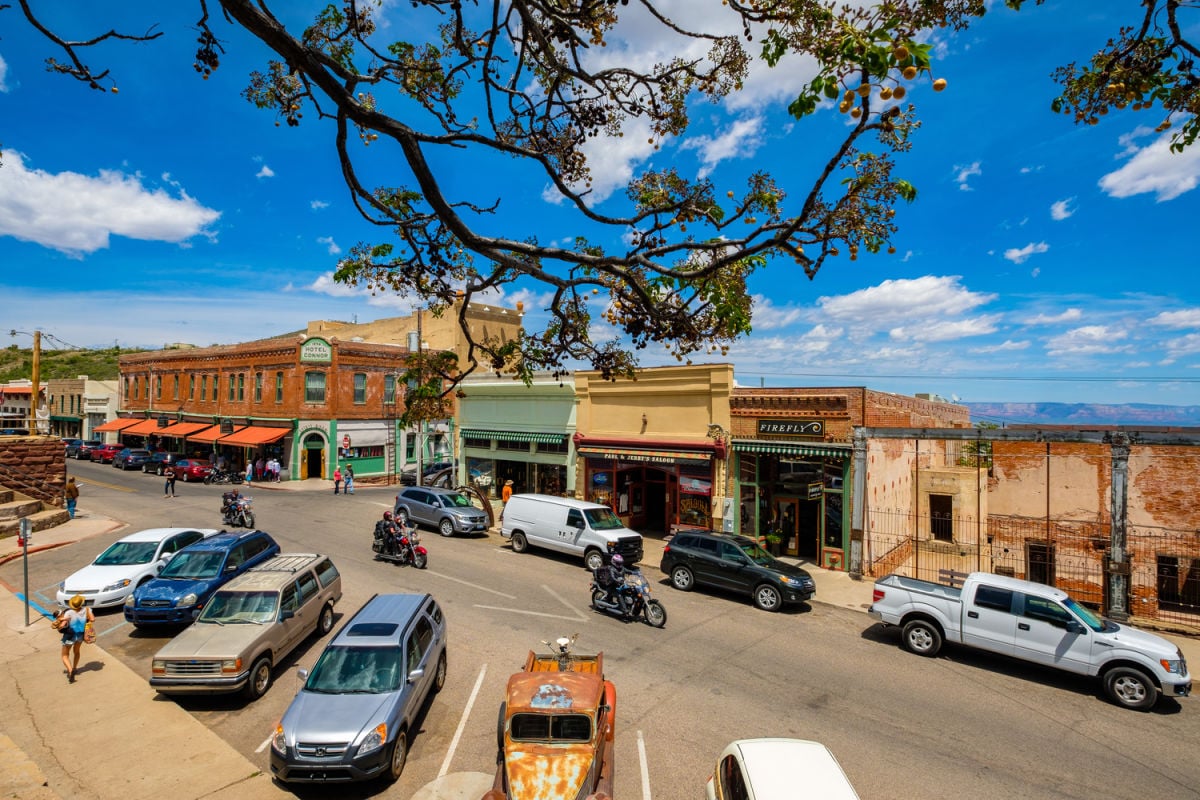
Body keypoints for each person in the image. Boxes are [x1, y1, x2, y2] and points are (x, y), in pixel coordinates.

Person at [56, 594, 94, 683]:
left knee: (65, 655)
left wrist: (59, 623)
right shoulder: (87, 610)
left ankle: (70, 670)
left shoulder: (69, 613)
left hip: (69, 635)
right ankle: (75, 668)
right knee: (76, 652)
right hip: (80, 635)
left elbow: (62, 626)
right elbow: (92, 619)